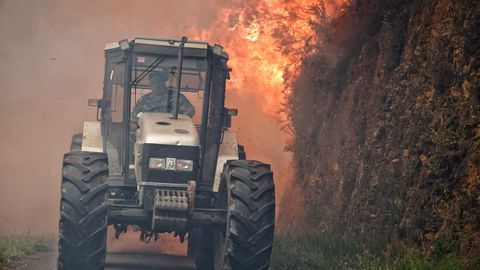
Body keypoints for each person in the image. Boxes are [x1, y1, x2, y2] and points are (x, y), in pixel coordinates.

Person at [131, 70, 196, 119]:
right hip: (149, 130)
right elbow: (134, 117)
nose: (157, 85)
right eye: (154, 83)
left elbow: (190, 111)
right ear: (150, 86)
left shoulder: (176, 97)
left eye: (159, 82)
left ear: (164, 83)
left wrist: (179, 121)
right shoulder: (144, 100)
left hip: (172, 131)